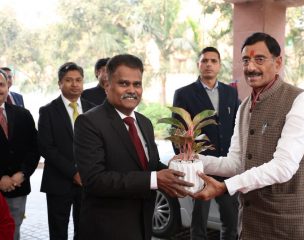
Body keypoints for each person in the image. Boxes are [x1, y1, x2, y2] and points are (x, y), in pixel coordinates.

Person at [192, 32, 304, 240]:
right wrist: (194, 161)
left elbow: (283, 167)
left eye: (259, 59)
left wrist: (226, 186)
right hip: (251, 224)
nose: (250, 67)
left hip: (289, 225)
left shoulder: (299, 100)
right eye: (246, 60)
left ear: (278, 62)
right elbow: (235, 163)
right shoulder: (244, 107)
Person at [73, 54, 193, 240]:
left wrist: (176, 169)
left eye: (137, 84)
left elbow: (148, 166)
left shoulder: (144, 123)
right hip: (106, 230)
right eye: (124, 83)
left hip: (144, 226)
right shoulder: (89, 122)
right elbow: (95, 180)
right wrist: (154, 179)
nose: (132, 90)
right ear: (107, 85)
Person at [173, 46, 239, 240]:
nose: (209, 64)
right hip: (199, 166)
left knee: (231, 220)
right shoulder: (184, 93)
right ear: (198, 65)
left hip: (227, 166)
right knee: (199, 220)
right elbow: (178, 131)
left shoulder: (230, 93)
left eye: (213, 61)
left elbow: (237, 127)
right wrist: (186, 163)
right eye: (205, 61)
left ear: (219, 65)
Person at [38, 62, 95, 240]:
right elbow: (46, 147)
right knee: (58, 232)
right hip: (58, 182)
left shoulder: (93, 108)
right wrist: (73, 172)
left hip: (88, 182)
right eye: (69, 80)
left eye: (78, 80)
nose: (74, 84)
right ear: (59, 83)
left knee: (85, 229)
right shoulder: (47, 111)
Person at [0, 69, 39, 240]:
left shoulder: (23, 114)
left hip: (17, 187)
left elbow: (35, 148)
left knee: (13, 231)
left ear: (8, 86)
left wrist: (22, 173)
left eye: (0, 84)